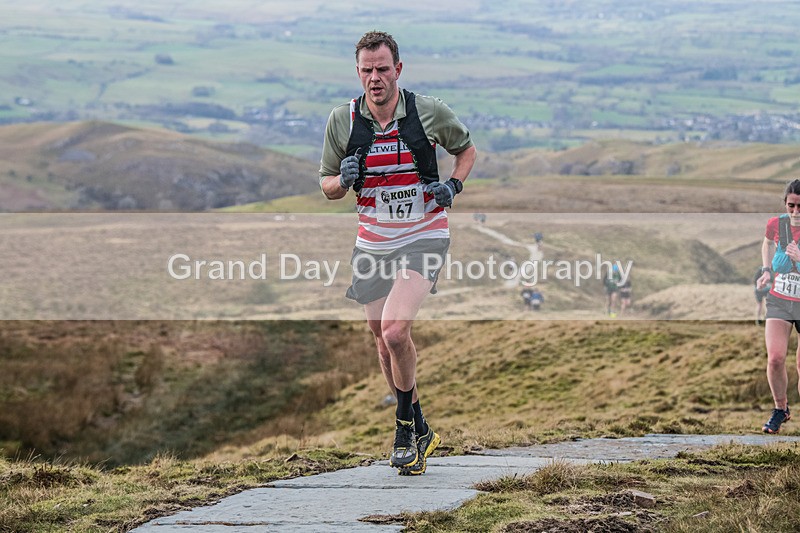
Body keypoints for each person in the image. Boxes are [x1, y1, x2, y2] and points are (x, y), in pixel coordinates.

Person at [319, 31, 477, 474]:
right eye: (367, 70)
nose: (375, 77)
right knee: (379, 336)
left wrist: (453, 185)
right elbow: (326, 184)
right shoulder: (343, 121)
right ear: (358, 72)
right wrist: (342, 179)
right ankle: (423, 425)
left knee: (394, 331)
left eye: (382, 69)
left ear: (398, 70)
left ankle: (404, 426)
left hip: (424, 234)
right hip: (372, 241)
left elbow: (466, 151)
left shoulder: (427, 111)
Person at [756, 178, 800, 434]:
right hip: (780, 300)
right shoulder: (777, 224)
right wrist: (766, 270)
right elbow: (767, 243)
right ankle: (780, 409)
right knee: (775, 358)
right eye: (791, 206)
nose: (795, 212)